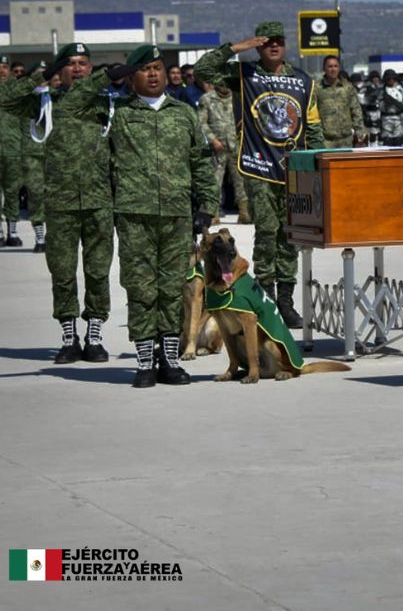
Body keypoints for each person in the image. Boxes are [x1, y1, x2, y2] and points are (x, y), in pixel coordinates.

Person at [59, 45, 219, 387]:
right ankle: (146, 361)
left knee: (172, 290)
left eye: (158, 68)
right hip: (133, 217)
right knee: (141, 289)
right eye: (144, 69)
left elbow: (201, 161)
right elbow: (71, 103)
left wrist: (207, 206)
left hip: (177, 216)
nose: (152, 74)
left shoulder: (183, 113)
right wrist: (105, 76)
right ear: (131, 77)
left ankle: (171, 361)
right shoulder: (115, 111)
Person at [194, 21, 326, 328]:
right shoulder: (245, 75)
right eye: (267, 42)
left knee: (290, 234)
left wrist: (317, 164)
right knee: (267, 231)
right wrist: (236, 49)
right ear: (259, 45)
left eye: (278, 41)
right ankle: (265, 298)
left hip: (294, 168)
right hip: (259, 167)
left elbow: (314, 126)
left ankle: (286, 302)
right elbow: (202, 70)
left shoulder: (303, 81)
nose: (273, 46)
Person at [0, 43, 115, 364]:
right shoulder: (44, 102)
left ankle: (94, 334)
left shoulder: (106, 102)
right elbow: (5, 99)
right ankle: (68, 335)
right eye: (69, 63)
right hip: (60, 203)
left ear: (90, 68)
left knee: (97, 271)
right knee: (62, 272)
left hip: (98, 202)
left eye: (82, 63)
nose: (77, 69)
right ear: (59, 70)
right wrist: (40, 76)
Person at [197, 80, 252, 224]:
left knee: (241, 180)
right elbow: (201, 123)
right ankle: (213, 212)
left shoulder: (239, 98)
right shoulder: (207, 99)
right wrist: (212, 140)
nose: (225, 84)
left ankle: (244, 212)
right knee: (215, 180)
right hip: (217, 147)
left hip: (237, 145)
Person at [21, 61, 48, 251]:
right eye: (39, 75)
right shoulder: (24, 100)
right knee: (36, 195)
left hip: (56, 155)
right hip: (32, 154)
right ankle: (40, 238)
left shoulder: (58, 97)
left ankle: (52, 236)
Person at [0, 54, 25, 246]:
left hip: (13, 149)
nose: (2, 70)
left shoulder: (17, 91)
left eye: (4, 67)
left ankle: (13, 232)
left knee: (12, 191)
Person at [317, 55, 367, 148]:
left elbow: (356, 110)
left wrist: (360, 132)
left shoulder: (348, 87)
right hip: (325, 140)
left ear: (339, 68)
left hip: (346, 139)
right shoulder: (317, 88)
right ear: (324, 68)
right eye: (330, 66)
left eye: (336, 66)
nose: (333, 69)